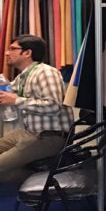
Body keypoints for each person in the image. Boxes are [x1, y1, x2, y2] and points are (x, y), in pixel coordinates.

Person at [0, 35, 73, 182]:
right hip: (29, 133)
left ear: (27, 53)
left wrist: (16, 100)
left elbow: (53, 106)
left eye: (13, 49)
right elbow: (7, 93)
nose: (7, 53)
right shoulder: (23, 77)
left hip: (49, 137)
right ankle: (36, 174)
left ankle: (44, 177)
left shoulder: (45, 72)